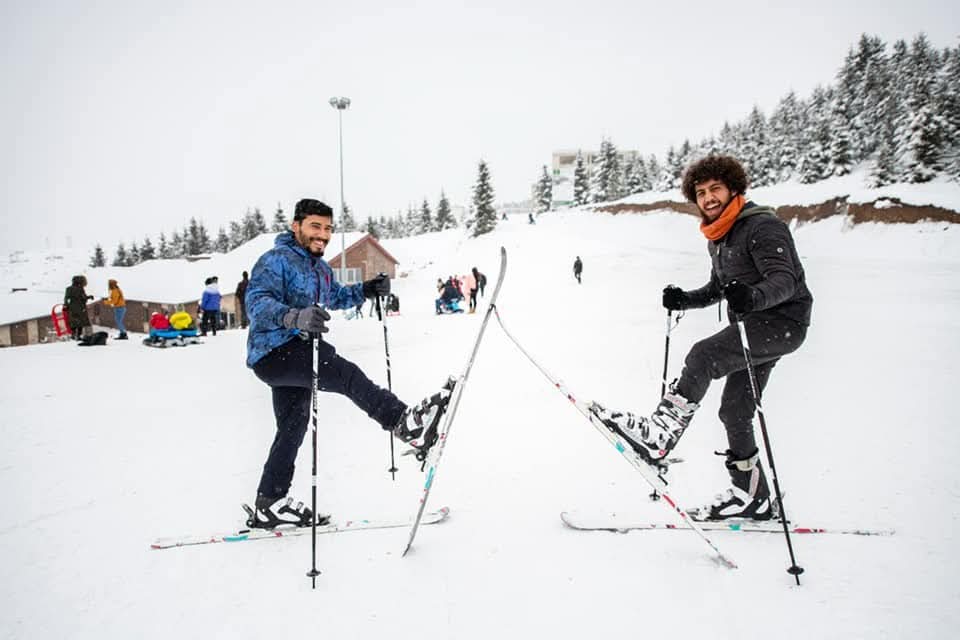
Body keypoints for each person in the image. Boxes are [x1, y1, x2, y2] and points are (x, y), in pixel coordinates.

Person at [591, 155, 813, 522]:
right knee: (735, 410)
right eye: (701, 192)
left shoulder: (762, 227)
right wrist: (685, 299)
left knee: (704, 355)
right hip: (755, 327)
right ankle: (753, 495)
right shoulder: (719, 236)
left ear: (733, 189)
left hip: (781, 322)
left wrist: (754, 297)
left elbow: (784, 280)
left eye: (715, 189)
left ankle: (660, 435)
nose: (708, 198)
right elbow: (719, 288)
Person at [245, 198, 454, 528]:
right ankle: (404, 423)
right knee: (346, 374)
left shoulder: (320, 269)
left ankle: (269, 500)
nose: (323, 235)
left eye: (328, 228)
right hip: (273, 351)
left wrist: (367, 289)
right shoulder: (276, 260)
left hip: (297, 353)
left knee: (292, 425)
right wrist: (293, 316)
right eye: (315, 226)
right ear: (296, 225)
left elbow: (338, 297)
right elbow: (256, 303)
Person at [64, 275, 93, 340]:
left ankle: (73, 335)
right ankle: (78, 336)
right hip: (81, 308)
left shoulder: (69, 289)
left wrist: (66, 305)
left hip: (72, 308)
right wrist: (89, 297)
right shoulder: (80, 289)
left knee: (73, 322)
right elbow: (83, 298)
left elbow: (66, 298)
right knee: (81, 322)